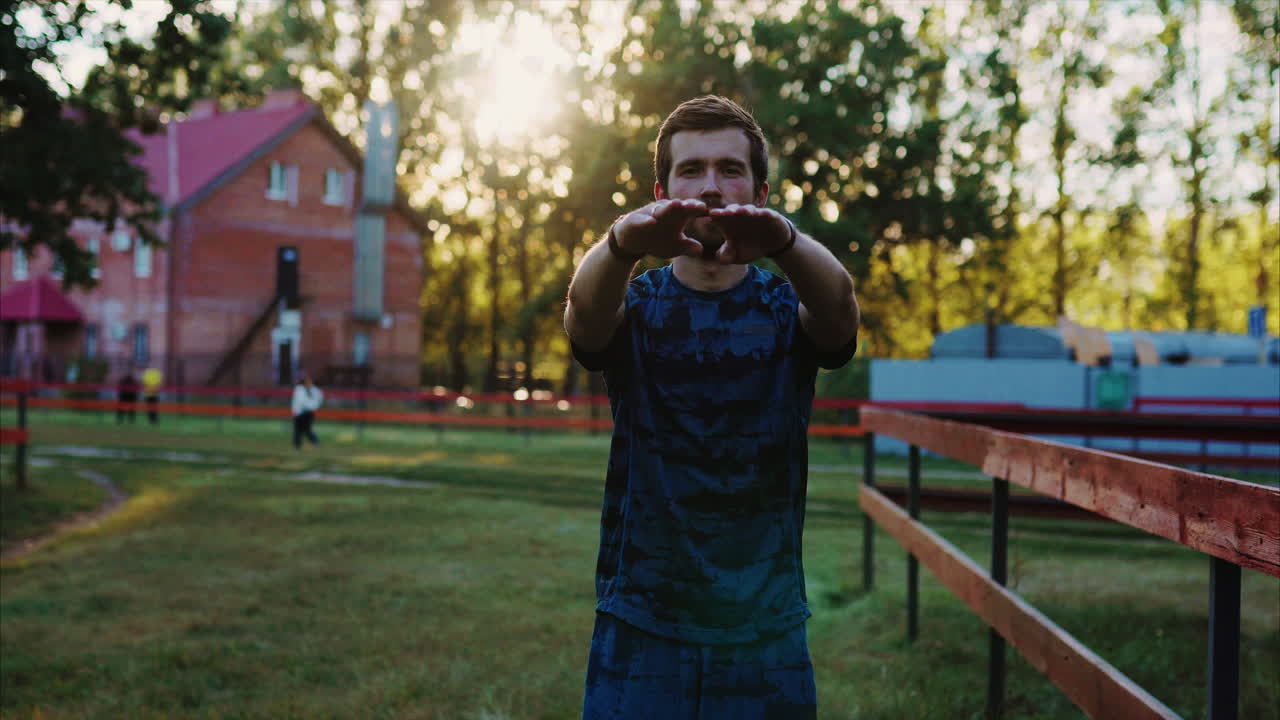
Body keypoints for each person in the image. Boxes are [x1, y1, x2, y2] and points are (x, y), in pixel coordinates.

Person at [564, 95, 860, 719]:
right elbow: (583, 322)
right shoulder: (636, 305)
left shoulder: (786, 307)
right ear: (661, 189)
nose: (712, 187)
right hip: (642, 625)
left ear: (760, 188)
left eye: (730, 169)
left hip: (766, 628)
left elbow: (838, 317)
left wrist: (782, 238)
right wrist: (621, 241)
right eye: (691, 170)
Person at [290, 372, 324, 449]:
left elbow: (319, 399)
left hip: (308, 413)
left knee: (307, 430)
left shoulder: (314, 390)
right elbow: (300, 402)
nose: (309, 383)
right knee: (297, 430)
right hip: (299, 413)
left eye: (310, 382)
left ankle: (315, 442)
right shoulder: (299, 390)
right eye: (307, 382)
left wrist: (315, 406)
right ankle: (297, 445)